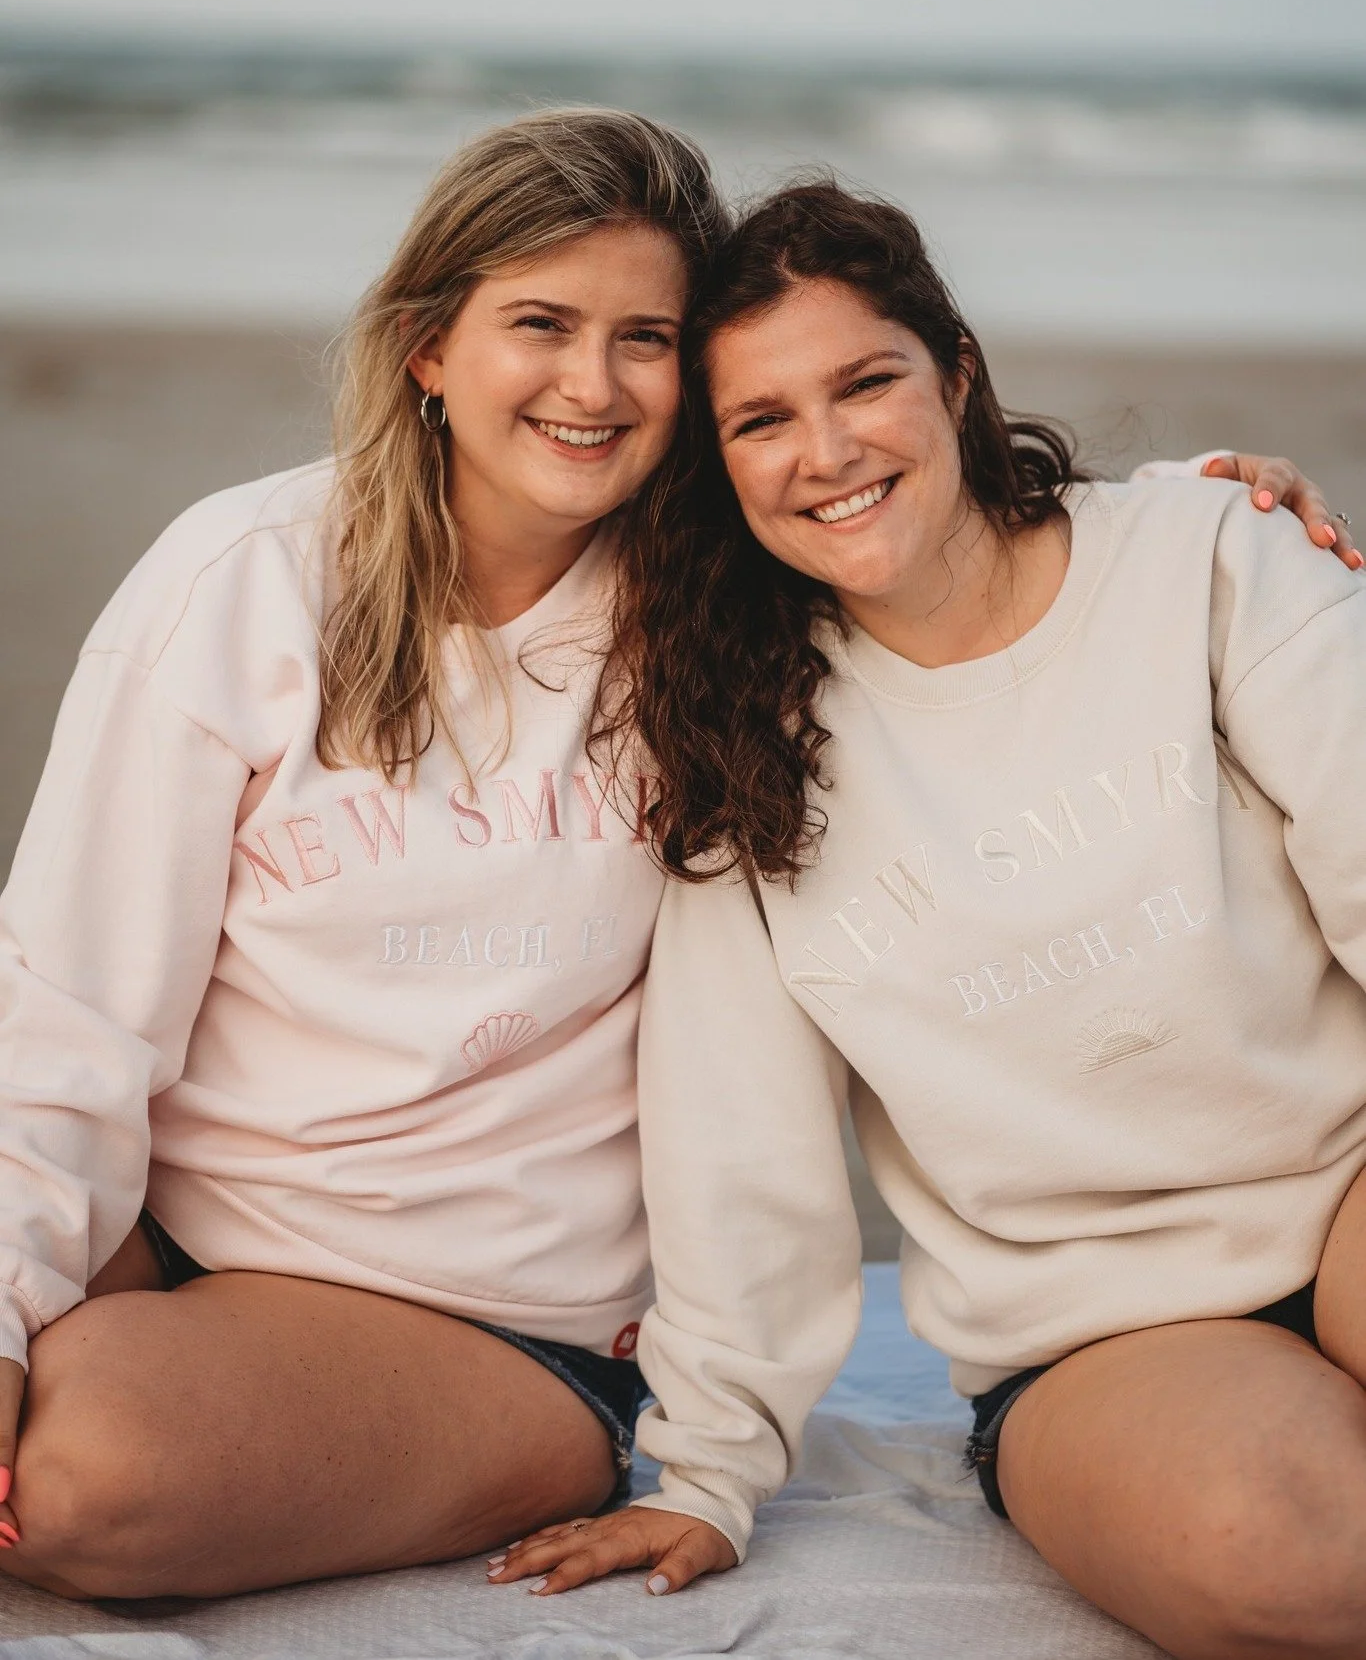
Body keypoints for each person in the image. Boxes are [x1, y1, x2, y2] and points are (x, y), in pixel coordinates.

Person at [0, 108, 1338, 1604]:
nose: (592, 381)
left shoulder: (715, 639)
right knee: (58, 1405)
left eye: (643, 336)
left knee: (83, 1468)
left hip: (491, 1320)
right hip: (179, 1244)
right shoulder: (244, 583)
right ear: (430, 346)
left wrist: (1200, 510)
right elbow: (69, 1012)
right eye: (539, 324)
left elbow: (982, 580)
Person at [487, 182, 1366, 1660]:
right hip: (1096, 1329)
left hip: (1346, 1183)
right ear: (718, 463)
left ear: (952, 371)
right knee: (1294, 1561)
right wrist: (707, 1465)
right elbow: (736, 1140)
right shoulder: (740, 745)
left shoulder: (1207, 556)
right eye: (760, 421)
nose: (826, 453)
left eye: (864, 382)